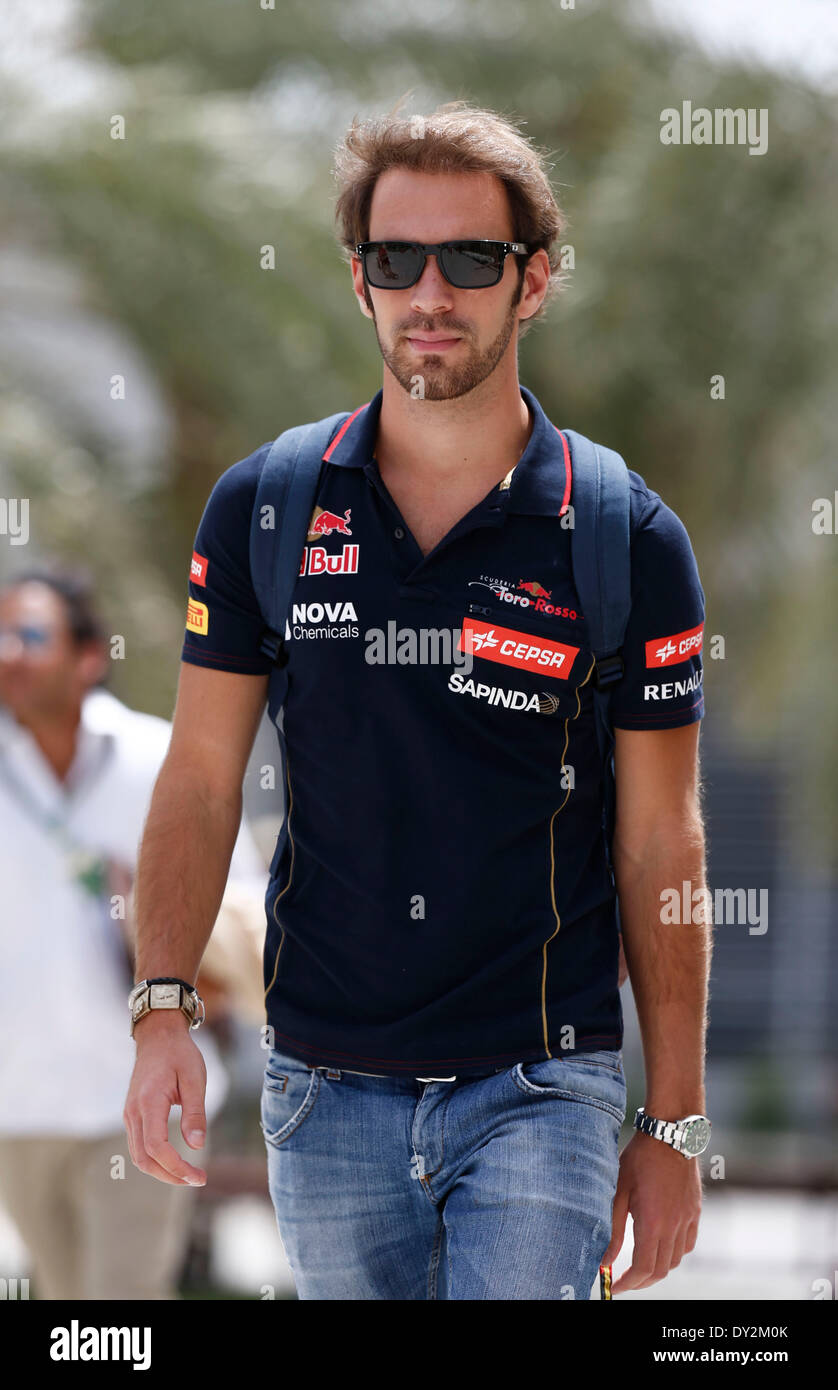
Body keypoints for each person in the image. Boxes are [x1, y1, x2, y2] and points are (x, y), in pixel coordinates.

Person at [125, 102, 713, 1301]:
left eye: (471, 260)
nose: (430, 293)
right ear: (359, 281)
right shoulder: (268, 510)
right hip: (322, 1089)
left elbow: (663, 838)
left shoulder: (620, 534)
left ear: (531, 281)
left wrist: (676, 1124)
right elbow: (197, 775)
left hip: (540, 1083)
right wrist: (161, 1011)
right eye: (398, 260)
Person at [0, 567, 265, 1299]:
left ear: (90, 656)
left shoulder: (163, 762)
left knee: (120, 1312)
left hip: (142, 1100)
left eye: (28, 635)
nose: (7, 654)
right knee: (66, 1308)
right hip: (20, 1106)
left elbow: (240, 919)